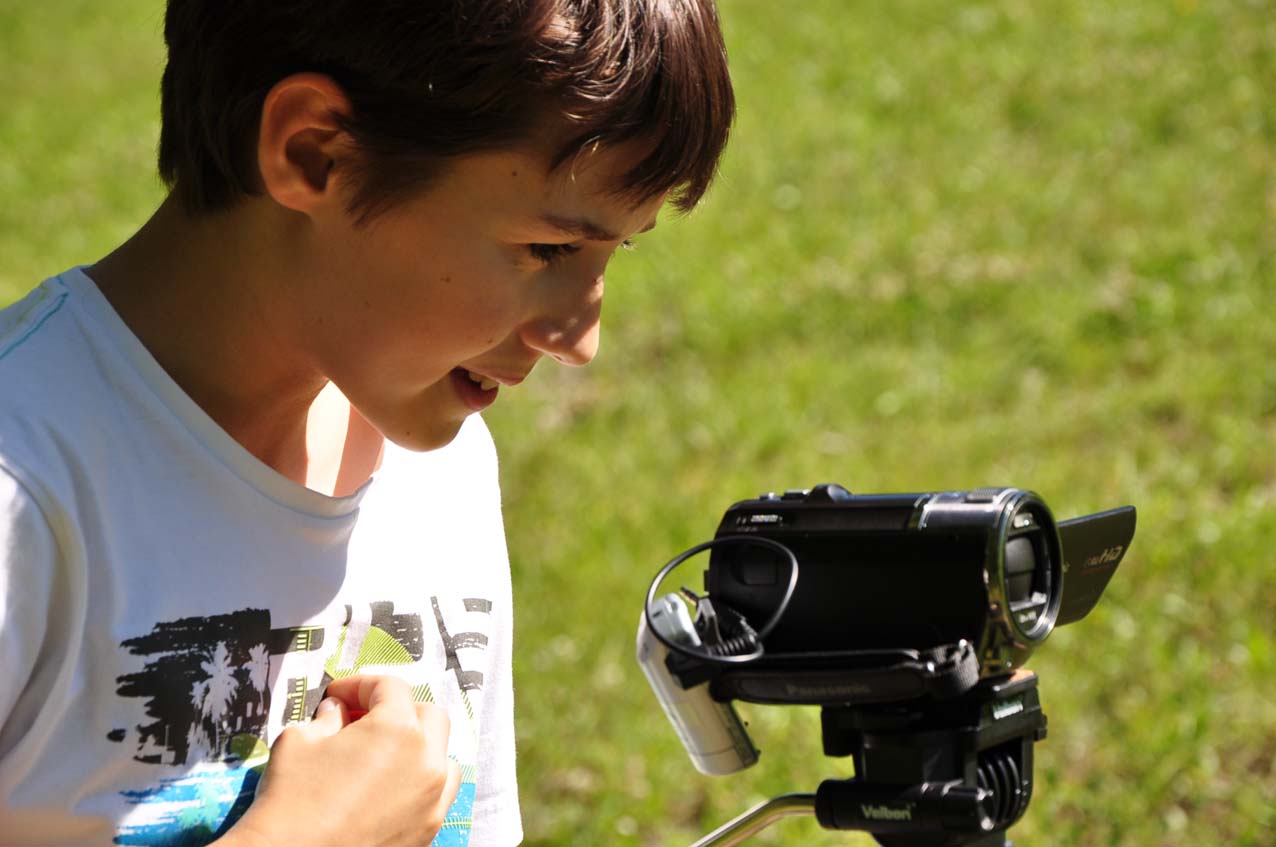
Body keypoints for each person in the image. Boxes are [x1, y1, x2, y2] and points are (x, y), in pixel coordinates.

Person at [0, 1, 734, 845]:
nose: (581, 340)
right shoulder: (29, 488)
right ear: (315, 153)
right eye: (550, 249)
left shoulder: (440, 471)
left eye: (616, 251)